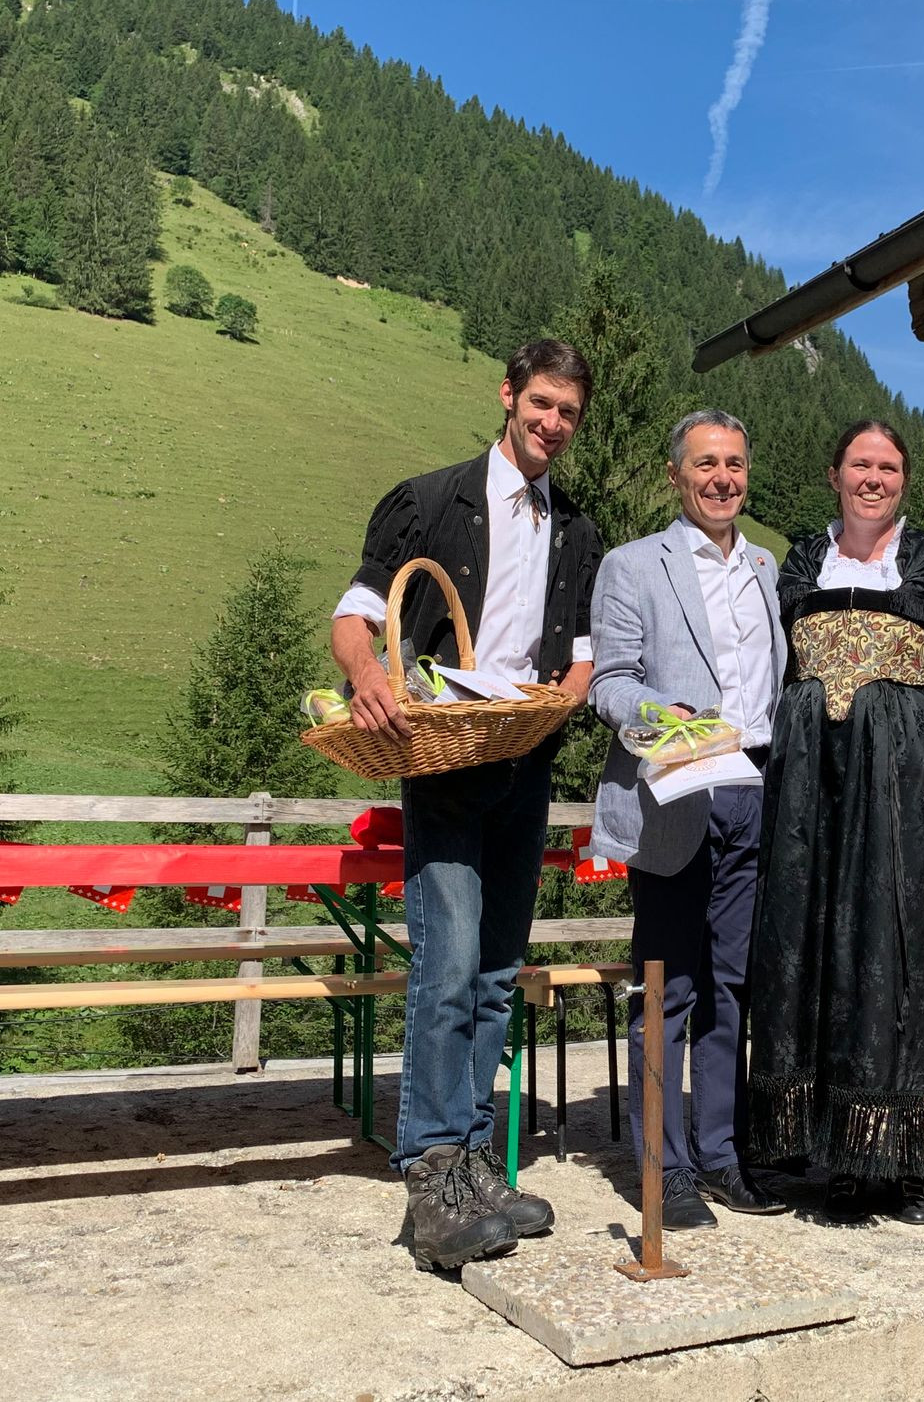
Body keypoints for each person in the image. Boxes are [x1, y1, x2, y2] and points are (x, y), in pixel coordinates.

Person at [331, 339, 602, 1272]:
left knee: (494, 970)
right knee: (444, 964)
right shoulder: (430, 500)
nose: (552, 424)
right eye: (540, 405)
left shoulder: (578, 528)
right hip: (444, 755)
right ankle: (430, 1168)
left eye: (567, 411)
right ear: (508, 397)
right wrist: (370, 674)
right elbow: (355, 613)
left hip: (525, 755)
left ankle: (476, 1160)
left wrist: (564, 699)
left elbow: (579, 653)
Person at [748, 420, 924, 1225]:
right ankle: (842, 1157)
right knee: (825, 963)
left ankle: (911, 1159)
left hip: (902, 797)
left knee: (903, 964)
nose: (875, 477)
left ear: (904, 480)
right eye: (861, 462)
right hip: (812, 801)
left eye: (889, 466)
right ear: (833, 473)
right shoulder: (797, 563)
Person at [588, 410, 789, 1230]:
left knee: (732, 985)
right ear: (676, 475)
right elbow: (609, 680)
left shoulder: (770, 569)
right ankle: (662, 1165)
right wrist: (662, 716)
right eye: (706, 464)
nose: (722, 479)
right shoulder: (633, 566)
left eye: (735, 464)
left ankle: (720, 1155)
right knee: (666, 988)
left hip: (752, 793)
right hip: (673, 792)